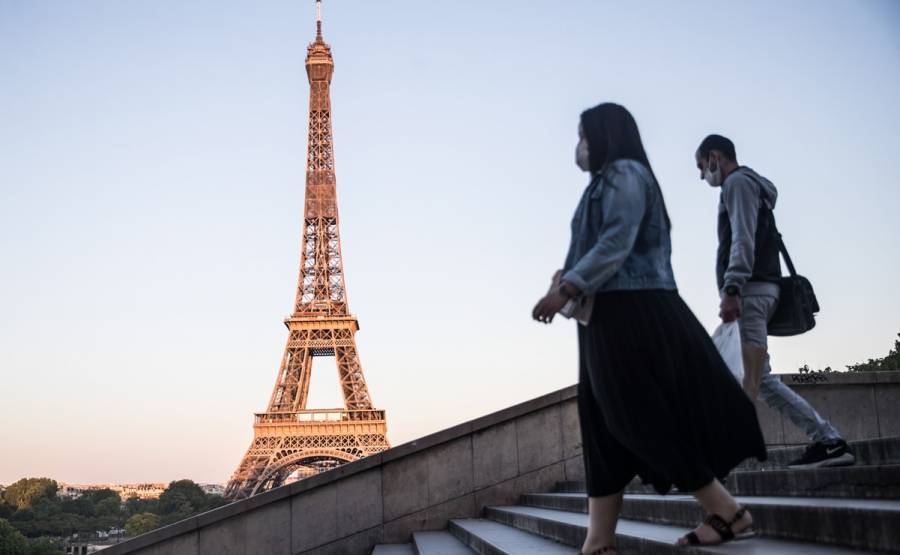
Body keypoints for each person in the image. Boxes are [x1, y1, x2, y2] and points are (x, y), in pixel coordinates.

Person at [533, 103, 767, 552]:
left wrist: (566, 288)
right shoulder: (603, 183)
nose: (579, 147)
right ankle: (598, 541)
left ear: (603, 134)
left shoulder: (625, 174)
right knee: (601, 424)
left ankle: (728, 511)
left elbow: (617, 240)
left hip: (632, 310)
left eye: (583, 136)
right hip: (603, 314)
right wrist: (568, 288)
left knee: (633, 417)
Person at [695, 134, 855, 469]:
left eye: (702, 167)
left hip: (749, 292)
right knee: (752, 378)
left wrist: (732, 287)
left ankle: (829, 441)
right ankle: (825, 441)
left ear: (715, 157)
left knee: (749, 378)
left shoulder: (736, 184)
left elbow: (743, 238)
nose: (702, 176)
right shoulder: (753, 186)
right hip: (760, 289)